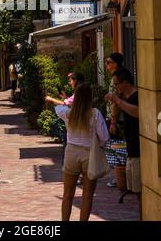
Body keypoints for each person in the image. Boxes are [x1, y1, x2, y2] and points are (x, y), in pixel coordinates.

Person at [54, 83, 110, 221]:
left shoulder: (68, 113)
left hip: (71, 152)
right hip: (89, 154)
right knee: (88, 195)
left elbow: (57, 108)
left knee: (67, 195)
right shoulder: (94, 114)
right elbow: (104, 137)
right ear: (90, 97)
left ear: (77, 98)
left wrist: (66, 103)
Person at [105, 68, 141, 219]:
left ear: (126, 82)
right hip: (131, 148)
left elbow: (139, 112)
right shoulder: (124, 97)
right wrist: (113, 120)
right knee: (135, 190)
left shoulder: (137, 96)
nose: (116, 88)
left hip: (139, 150)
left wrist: (118, 100)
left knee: (140, 191)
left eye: (117, 84)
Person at [105, 52, 124, 187]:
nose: (106, 65)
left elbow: (116, 101)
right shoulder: (116, 77)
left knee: (116, 147)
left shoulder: (116, 78)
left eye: (108, 62)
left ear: (115, 64)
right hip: (115, 117)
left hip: (117, 118)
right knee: (117, 146)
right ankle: (120, 176)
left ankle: (119, 178)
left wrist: (113, 121)